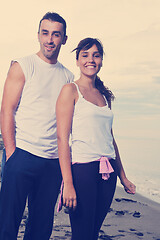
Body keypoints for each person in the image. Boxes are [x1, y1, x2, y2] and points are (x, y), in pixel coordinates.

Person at [0, 12, 74, 239]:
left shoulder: (68, 77)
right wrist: (12, 154)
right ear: (38, 35)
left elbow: (68, 125)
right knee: (7, 224)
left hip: (52, 162)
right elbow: (6, 110)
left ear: (64, 39)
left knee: (41, 228)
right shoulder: (22, 65)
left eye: (55, 34)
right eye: (45, 33)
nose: (49, 39)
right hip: (22, 154)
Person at [56, 37, 136, 240]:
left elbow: (110, 139)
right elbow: (62, 139)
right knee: (82, 234)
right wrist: (68, 183)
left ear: (101, 61)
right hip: (83, 170)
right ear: (77, 61)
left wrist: (123, 177)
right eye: (85, 55)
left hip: (107, 173)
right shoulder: (70, 90)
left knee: (92, 234)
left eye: (96, 55)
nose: (90, 60)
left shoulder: (104, 95)